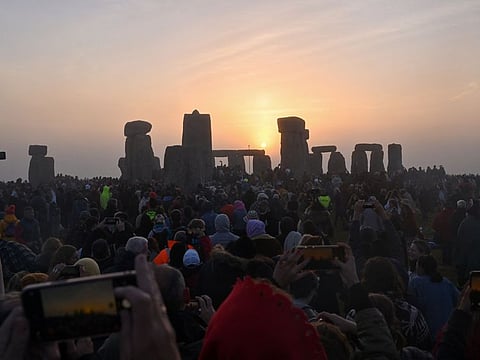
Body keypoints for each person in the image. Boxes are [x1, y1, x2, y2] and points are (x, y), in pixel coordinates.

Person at [408, 255, 460, 341]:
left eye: (417, 265)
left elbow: (411, 307)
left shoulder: (415, 282)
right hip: (448, 332)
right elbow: (459, 300)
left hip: (429, 334)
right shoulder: (446, 282)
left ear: (421, 268)